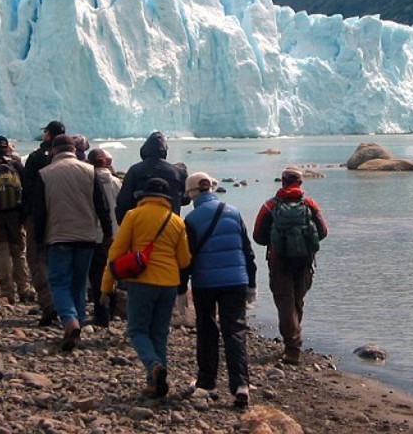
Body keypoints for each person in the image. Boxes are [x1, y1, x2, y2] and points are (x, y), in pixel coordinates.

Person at [102, 177, 191, 399]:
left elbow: (116, 252)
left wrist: (106, 286)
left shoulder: (134, 216)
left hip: (141, 281)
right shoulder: (176, 221)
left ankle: (152, 366)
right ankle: (155, 383)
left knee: (137, 330)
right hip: (169, 283)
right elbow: (184, 260)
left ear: (143, 196)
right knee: (159, 333)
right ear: (167, 198)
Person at [181, 172, 257, 408]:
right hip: (236, 280)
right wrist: (252, 283)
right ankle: (240, 386)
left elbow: (187, 258)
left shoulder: (191, 219)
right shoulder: (233, 212)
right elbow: (247, 250)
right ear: (212, 188)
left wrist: (181, 288)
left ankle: (207, 382)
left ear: (192, 193)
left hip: (205, 283)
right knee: (235, 330)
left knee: (207, 330)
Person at [34, 134, 113, 351]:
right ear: (74, 150)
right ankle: (77, 322)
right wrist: (107, 233)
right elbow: (102, 205)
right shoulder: (89, 171)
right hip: (86, 237)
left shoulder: (45, 174)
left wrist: (38, 240)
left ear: (53, 151)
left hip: (57, 236)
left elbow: (39, 212)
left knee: (59, 282)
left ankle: (70, 320)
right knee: (79, 282)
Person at [252, 165, 328, 365]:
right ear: (300, 183)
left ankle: (292, 348)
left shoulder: (270, 206)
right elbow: (323, 231)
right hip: (304, 261)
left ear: (283, 182)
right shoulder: (310, 204)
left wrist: (276, 240)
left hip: (279, 262)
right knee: (297, 301)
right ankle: (292, 342)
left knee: (285, 303)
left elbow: (258, 236)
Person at [21, 119, 64, 326]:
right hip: (62, 217)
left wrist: (25, 215)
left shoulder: (36, 157)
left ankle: (48, 303)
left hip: (36, 216)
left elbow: (27, 188)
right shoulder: (71, 160)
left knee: (36, 258)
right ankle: (67, 304)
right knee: (60, 258)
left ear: (48, 135)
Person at [0, 135, 33, 304]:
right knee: (18, 252)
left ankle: (7, 291)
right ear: (7, 148)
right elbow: (27, 190)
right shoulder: (16, 165)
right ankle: (24, 288)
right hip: (15, 215)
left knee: (0, 252)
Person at [115, 131, 188, 223]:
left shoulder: (135, 170)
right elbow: (186, 199)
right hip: (170, 222)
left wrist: (124, 223)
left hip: (141, 223)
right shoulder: (177, 172)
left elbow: (124, 201)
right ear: (164, 150)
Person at [87, 147, 121, 327]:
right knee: (113, 271)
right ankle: (113, 310)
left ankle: (100, 314)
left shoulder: (89, 181)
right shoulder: (116, 182)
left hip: (95, 233)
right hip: (115, 234)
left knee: (96, 275)